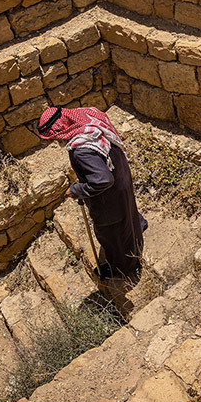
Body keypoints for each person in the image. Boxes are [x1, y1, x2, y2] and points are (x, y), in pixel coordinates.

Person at [36, 106, 146, 280]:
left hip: (110, 195)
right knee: (128, 211)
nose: (53, 141)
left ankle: (123, 267)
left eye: (53, 137)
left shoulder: (81, 150)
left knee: (112, 234)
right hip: (121, 175)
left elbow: (102, 180)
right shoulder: (87, 119)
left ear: (61, 129)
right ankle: (137, 228)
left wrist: (76, 190)